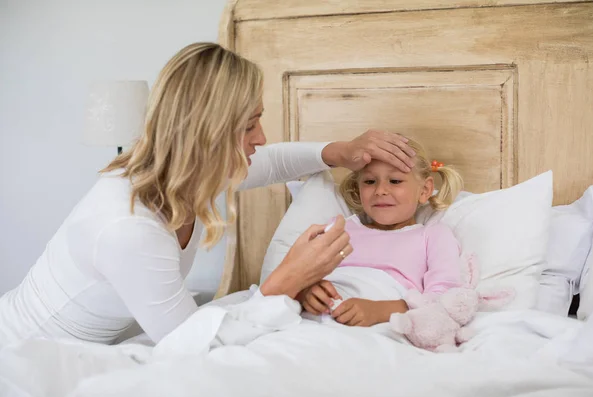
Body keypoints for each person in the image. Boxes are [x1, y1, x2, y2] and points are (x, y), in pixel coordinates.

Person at [0, 43, 416, 347]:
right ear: (209, 133)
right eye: (250, 125)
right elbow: (194, 347)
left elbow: (271, 162)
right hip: (25, 358)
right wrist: (288, 279)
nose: (261, 137)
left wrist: (338, 152)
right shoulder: (127, 227)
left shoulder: (185, 171)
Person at [298, 137, 465, 327]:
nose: (380, 190)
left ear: (425, 190)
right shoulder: (338, 228)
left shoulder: (433, 235)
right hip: (316, 320)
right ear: (358, 188)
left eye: (395, 181)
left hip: (385, 322)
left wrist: (379, 311)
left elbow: (445, 298)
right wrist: (306, 293)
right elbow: (297, 275)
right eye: (369, 181)